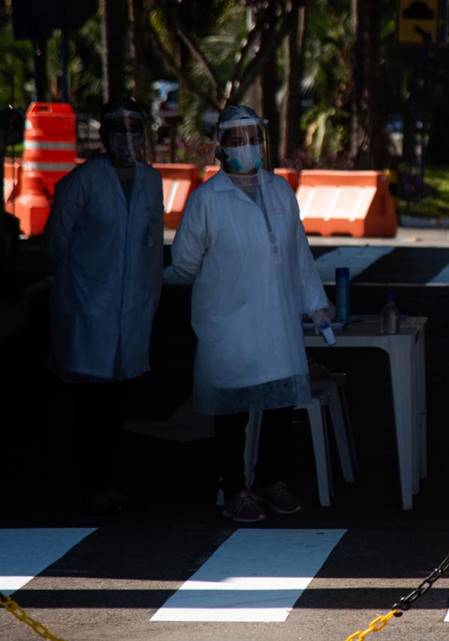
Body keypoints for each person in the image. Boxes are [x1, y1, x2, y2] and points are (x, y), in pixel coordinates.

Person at [168, 105, 332, 523]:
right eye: (237, 139)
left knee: (280, 405)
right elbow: (185, 264)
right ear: (221, 149)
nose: (247, 146)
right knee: (233, 411)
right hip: (229, 322)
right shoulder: (207, 200)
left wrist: (316, 303)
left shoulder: (279, 192)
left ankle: (269, 480)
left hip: (276, 320)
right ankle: (234, 488)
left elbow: (299, 255)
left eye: (252, 137)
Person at [46, 97, 164, 512]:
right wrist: (85, 282)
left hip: (131, 306)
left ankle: (107, 480)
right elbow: (56, 242)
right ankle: (86, 484)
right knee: (89, 403)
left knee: (116, 401)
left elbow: (151, 243)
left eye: (135, 130)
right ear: (104, 136)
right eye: (119, 131)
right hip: (88, 305)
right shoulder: (83, 182)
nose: (127, 139)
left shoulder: (151, 181)